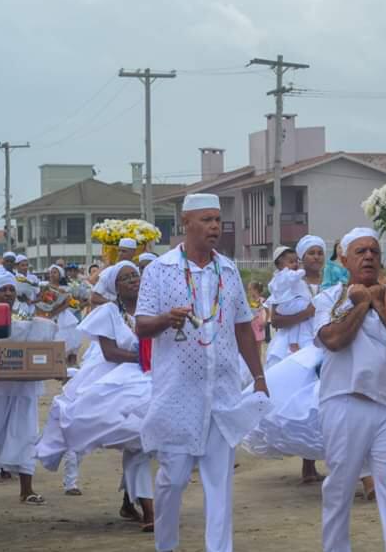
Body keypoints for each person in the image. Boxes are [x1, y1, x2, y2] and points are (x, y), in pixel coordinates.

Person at [134, 193, 268, 552]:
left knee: (219, 483)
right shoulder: (159, 271)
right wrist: (166, 319)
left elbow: (243, 327)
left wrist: (259, 377)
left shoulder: (228, 269)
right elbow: (141, 326)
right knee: (173, 480)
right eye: (206, 220)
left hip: (222, 394)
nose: (214, 228)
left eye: (217, 221)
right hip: (178, 395)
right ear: (185, 223)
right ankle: (166, 545)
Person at [37, 260, 156, 531]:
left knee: (146, 442)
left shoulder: (152, 310)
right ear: (115, 287)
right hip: (118, 379)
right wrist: (144, 357)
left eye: (135, 276)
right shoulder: (108, 313)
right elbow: (111, 353)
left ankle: (131, 501)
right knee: (139, 440)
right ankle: (150, 511)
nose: (133, 281)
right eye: (126, 279)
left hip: (152, 378)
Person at [315, 227, 386, 551]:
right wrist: (360, 305)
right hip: (344, 402)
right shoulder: (328, 297)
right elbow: (334, 340)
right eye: (360, 252)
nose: (369, 256)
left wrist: (378, 304)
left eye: (374, 252)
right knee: (339, 489)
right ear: (344, 259)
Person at [0, 271, 55, 505]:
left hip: (23, 386)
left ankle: (26, 490)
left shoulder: (25, 315)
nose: (8, 294)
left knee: (27, 434)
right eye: (3, 289)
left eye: (11, 289)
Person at [268, 234, 328, 484]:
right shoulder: (290, 283)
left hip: (327, 343)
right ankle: (308, 461)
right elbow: (277, 319)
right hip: (299, 347)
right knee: (304, 400)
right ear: (302, 257)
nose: (316, 257)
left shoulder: (332, 281)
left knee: (323, 400)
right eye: (311, 253)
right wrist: (307, 313)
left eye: (320, 252)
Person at [268, 247, 314, 358]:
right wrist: (308, 312)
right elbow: (275, 320)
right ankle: (293, 343)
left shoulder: (293, 279)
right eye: (291, 262)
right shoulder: (286, 275)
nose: (295, 264)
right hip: (288, 305)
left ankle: (294, 343)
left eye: (296, 261)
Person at [247, 281, 268, 349]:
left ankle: (258, 359)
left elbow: (268, 312)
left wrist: (265, 322)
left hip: (259, 326)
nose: (249, 291)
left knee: (258, 347)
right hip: (251, 325)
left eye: (250, 289)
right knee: (251, 347)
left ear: (255, 290)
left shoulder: (263, 300)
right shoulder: (249, 300)